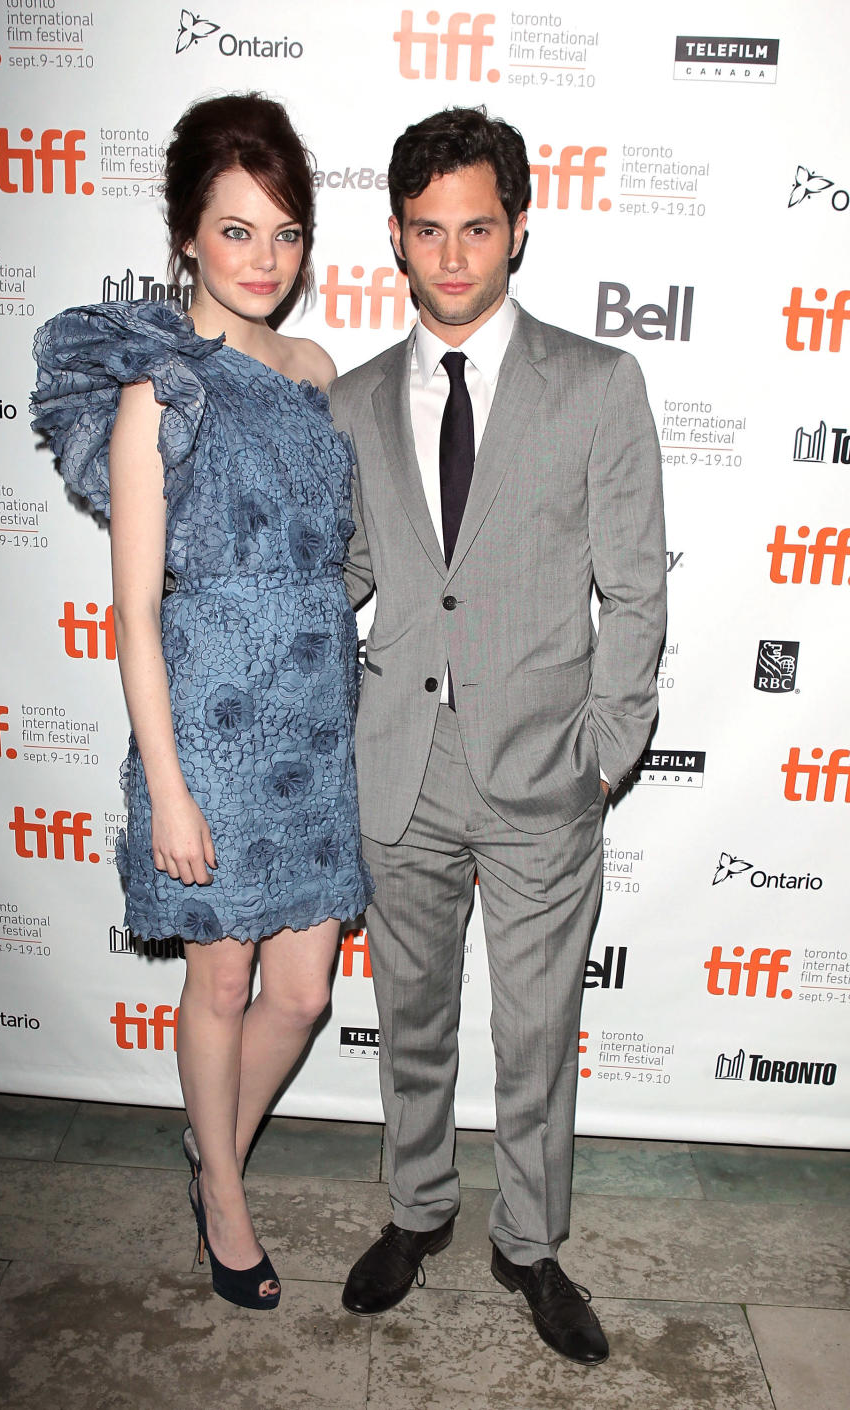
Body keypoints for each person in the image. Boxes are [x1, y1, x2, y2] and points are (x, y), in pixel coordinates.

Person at [329, 107, 666, 1365]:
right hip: (399, 770)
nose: (454, 254)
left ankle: (530, 1245)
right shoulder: (356, 402)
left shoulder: (597, 383)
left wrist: (607, 747)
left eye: (479, 226)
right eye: (429, 230)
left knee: (534, 1032)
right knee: (411, 1017)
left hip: (542, 771)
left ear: (519, 226)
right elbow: (351, 571)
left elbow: (638, 589)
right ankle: (417, 1211)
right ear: (400, 241)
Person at [31, 93, 372, 1312]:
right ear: (185, 237)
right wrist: (167, 790)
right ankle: (224, 1197)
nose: (264, 262)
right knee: (220, 983)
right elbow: (133, 613)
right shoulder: (155, 393)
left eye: (285, 235)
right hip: (212, 730)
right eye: (237, 233)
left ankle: (204, 1143)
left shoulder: (317, 370)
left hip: (316, 718)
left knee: (306, 992)